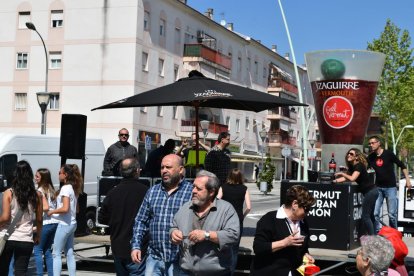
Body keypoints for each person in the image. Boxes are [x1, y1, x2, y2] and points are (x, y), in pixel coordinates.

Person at [131, 154, 193, 276]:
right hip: (154, 258)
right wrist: (136, 246)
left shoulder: (191, 192)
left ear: (180, 170)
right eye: (162, 167)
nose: (164, 170)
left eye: (168, 167)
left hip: (180, 260)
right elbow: (140, 221)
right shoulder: (153, 191)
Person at [170, 170, 240, 275]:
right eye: (193, 187)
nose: (193, 191)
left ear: (211, 192)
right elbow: (173, 226)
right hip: (185, 272)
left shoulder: (226, 209)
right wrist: (173, 233)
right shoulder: (186, 207)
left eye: (198, 189)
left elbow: (233, 235)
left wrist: (207, 235)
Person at [98, 158, 149, 276]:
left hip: (117, 246)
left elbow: (102, 218)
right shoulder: (146, 192)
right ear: (137, 171)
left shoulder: (112, 193)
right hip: (138, 249)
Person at [250, 185, 316, 276]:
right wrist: (284, 243)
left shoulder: (303, 222)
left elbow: (303, 248)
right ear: (295, 204)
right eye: (306, 209)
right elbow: (258, 247)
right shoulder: (270, 219)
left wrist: (305, 255)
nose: (308, 213)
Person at [0, 160, 43, 276]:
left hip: (8, 237)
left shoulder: (8, 193)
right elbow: (39, 219)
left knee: (2, 270)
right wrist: (38, 235)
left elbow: (5, 217)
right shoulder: (37, 195)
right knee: (21, 272)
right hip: (25, 238)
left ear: (15, 175)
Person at [367, 135, 412, 232]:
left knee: (392, 214)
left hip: (391, 188)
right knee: (375, 214)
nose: (371, 145)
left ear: (379, 143)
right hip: (378, 188)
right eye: (369, 143)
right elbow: (364, 168)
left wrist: (408, 180)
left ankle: (395, 234)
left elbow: (402, 166)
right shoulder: (370, 157)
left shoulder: (388, 154)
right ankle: (377, 234)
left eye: (373, 143)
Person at [48, 164, 83, 276]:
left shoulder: (65, 188)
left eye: (60, 173)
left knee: (56, 253)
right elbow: (76, 209)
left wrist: (52, 211)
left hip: (64, 224)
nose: (58, 174)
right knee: (69, 253)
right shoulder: (74, 188)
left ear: (65, 175)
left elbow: (65, 208)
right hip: (72, 223)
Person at [334, 148, 379, 235]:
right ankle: (374, 237)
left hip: (371, 192)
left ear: (356, 157)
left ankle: (372, 238)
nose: (349, 155)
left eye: (351, 154)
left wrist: (342, 173)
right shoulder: (353, 167)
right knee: (370, 216)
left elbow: (352, 178)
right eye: (348, 153)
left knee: (365, 216)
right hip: (371, 192)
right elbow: (346, 178)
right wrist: (334, 181)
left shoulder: (359, 165)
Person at [217, 168, 251, 272]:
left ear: (229, 176)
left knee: (222, 246)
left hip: (224, 220)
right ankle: (231, 272)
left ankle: (221, 270)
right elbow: (249, 207)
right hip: (238, 221)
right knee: (234, 250)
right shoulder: (244, 188)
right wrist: (243, 216)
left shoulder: (223, 187)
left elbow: (217, 201)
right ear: (240, 177)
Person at [33, 168, 59, 276]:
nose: (35, 178)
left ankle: (39, 274)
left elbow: (46, 207)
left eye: (37, 176)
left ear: (43, 178)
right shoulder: (51, 189)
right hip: (54, 223)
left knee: (37, 250)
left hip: (46, 223)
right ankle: (51, 274)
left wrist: (35, 209)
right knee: (47, 250)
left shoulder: (39, 191)